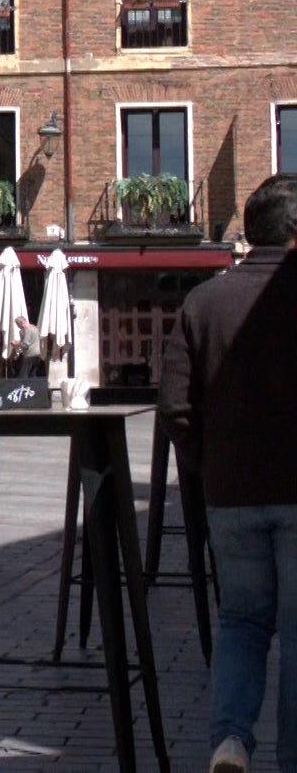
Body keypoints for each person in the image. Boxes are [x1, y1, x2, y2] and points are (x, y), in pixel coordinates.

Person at [160, 174, 297, 773]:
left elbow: (174, 408)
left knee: (241, 621)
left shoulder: (203, 302)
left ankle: (230, 741)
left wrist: (208, 465)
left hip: (230, 496)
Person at [11, 314, 44, 379]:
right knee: (33, 376)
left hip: (30, 355)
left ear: (21, 323)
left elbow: (25, 345)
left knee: (23, 377)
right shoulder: (34, 327)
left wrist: (16, 343)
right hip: (38, 354)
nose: (19, 327)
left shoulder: (27, 329)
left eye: (18, 325)